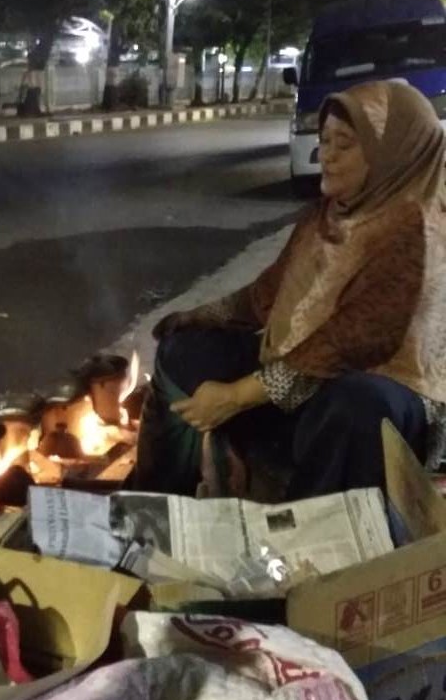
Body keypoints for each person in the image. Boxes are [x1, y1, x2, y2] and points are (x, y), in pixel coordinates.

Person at [136, 78, 446, 500]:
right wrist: (200, 316)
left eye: (346, 144)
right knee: (185, 350)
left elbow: (352, 342)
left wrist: (238, 396)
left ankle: (304, 537)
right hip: (307, 380)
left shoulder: (417, 228)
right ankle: (160, 498)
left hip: (387, 391)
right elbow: (269, 293)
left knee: (357, 406)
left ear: (390, 154)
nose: (328, 157)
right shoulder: (329, 215)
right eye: (325, 141)